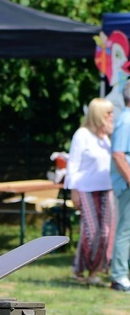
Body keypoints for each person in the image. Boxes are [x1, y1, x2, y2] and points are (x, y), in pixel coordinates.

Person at [65, 98, 115, 285]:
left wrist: (111, 133)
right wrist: (73, 191)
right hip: (86, 188)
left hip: (107, 188)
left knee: (106, 232)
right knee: (91, 231)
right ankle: (79, 269)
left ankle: (94, 272)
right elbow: (73, 164)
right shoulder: (82, 134)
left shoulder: (106, 137)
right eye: (107, 113)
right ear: (97, 114)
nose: (111, 116)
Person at [109, 85, 130, 292]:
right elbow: (118, 155)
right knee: (126, 230)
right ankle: (119, 277)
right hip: (126, 185)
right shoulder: (126, 120)